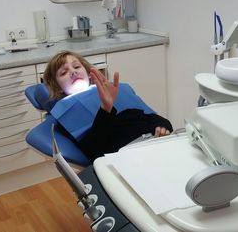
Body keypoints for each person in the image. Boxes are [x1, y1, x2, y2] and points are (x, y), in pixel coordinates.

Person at [43, 51, 173, 160]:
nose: (73, 72)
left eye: (76, 67)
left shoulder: (114, 89)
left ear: (89, 73)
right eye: (63, 72)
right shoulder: (66, 112)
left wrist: (162, 125)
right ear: (58, 87)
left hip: (158, 143)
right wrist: (105, 109)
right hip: (129, 157)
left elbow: (149, 117)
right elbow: (93, 151)